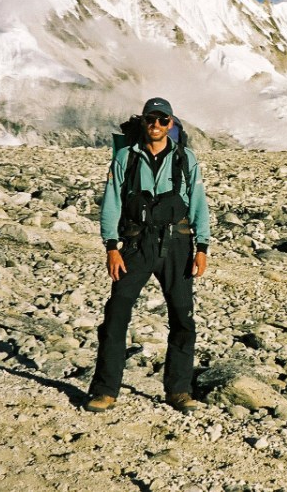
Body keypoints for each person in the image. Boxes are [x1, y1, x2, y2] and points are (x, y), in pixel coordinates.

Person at [85, 97, 210, 414]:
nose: (156, 125)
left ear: (171, 123)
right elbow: (112, 201)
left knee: (183, 317)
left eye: (162, 120)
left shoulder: (185, 157)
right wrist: (111, 246)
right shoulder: (125, 157)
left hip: (177, 244)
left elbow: (198, 201)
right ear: (143, 122)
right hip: (135, 244)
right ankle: (105, 391)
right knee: (116, 314)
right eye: (150, 120)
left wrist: (202, 247)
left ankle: (179, 391)